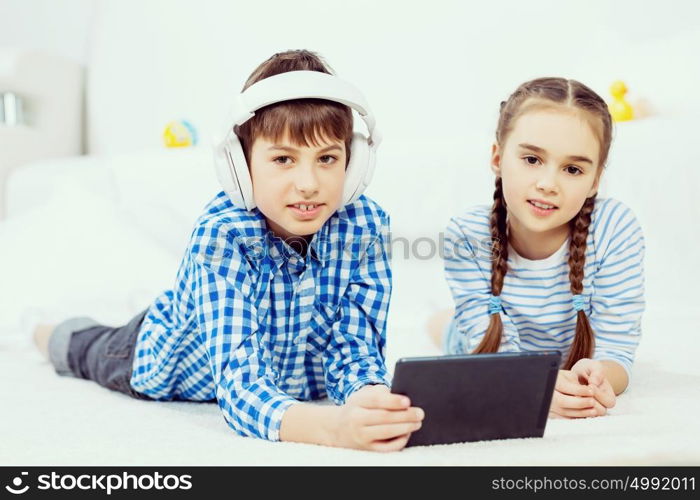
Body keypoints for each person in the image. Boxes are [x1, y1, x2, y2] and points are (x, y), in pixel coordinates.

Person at [33, 50, 423, 451]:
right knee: (85, 348)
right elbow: (241, 390)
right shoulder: (223, 233)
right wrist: (333, 429)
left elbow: (354, 348)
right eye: (284, 159)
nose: (309, 183)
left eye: (327, 158)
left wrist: (368, 399)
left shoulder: (365, 225)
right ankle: (44, 331)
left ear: (355, 165)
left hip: (285, 370)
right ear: (240, 167)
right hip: (157, 358)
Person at [428, 77, 645, 419]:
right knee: (447, 329)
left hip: (567, 355)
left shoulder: (615, 228)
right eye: (531, 160)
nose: (548, 184)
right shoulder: (467, 234)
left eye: (573, 169)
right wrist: (536, 388)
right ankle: (439, 320)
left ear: (595, 180)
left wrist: (597, 378)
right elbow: (489, 352)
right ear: (498, 158)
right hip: (485, 349)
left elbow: (617, 350)